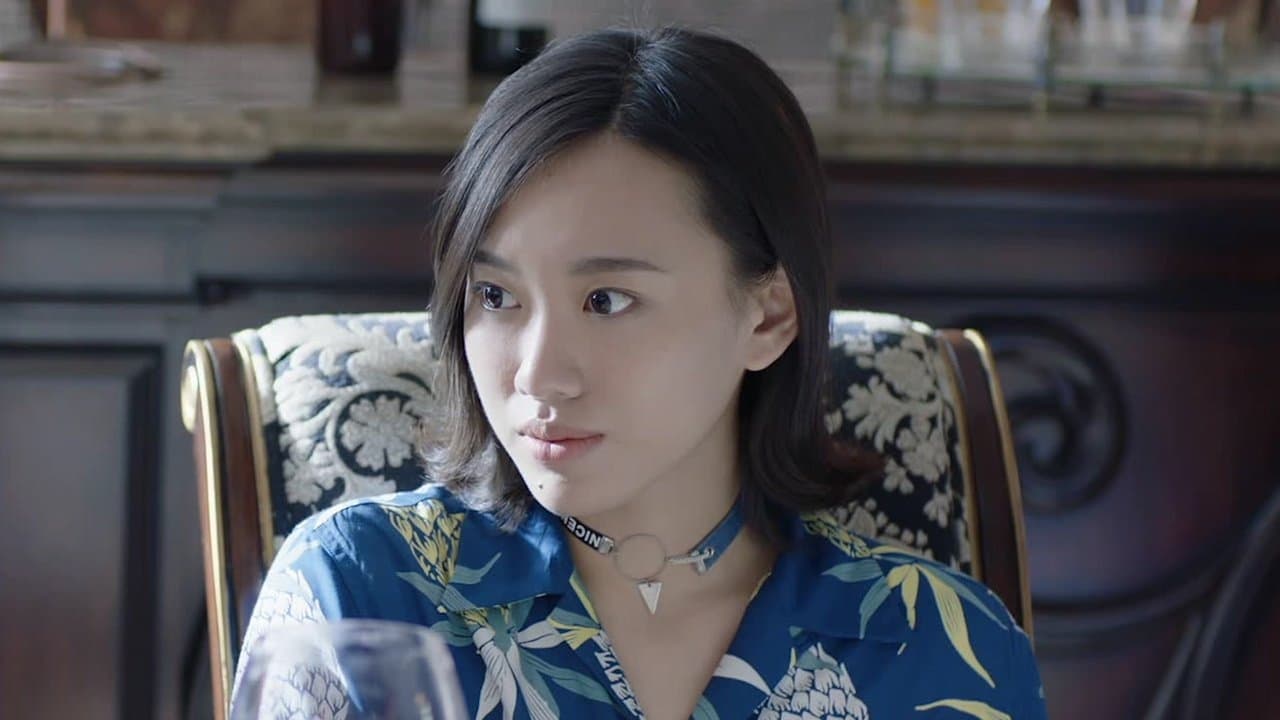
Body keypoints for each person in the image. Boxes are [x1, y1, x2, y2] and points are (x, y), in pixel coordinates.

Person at [236, 25, 1048, 720]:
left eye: (607, 300)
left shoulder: (944, 650)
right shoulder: (358, 592)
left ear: (768, 317)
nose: (539, 375)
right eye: (496, 296)